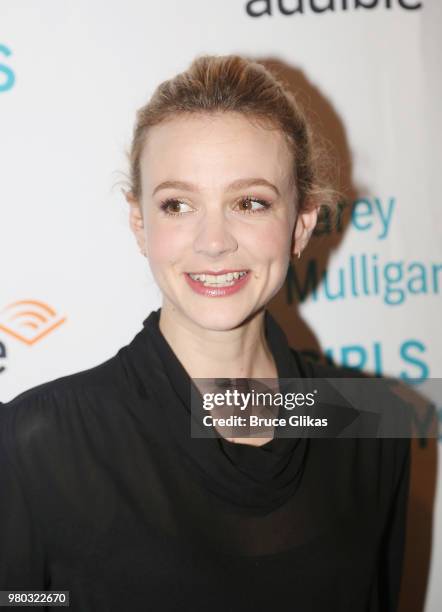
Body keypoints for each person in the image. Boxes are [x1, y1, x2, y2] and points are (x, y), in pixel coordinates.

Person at [0, 54, 410, 611]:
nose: (213, 241)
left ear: (302, 224)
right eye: (178, 204)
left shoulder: (371, 424)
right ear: (140, 225)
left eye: (250, 202)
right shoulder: (37, 443)